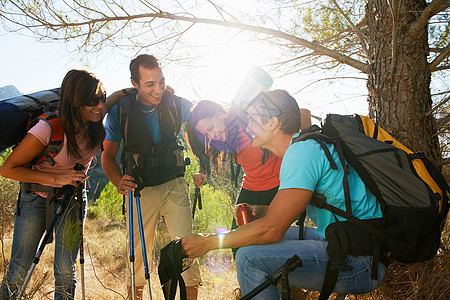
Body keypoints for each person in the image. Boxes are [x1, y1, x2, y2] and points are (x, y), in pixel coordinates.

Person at [181, 90, 386, 299]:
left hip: (360, 262)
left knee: (247, 258)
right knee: (249, 240)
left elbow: (272, 230)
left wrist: (208, 242)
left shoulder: (301, 155)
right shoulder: (301, 148)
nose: (247, 126)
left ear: (272, 123)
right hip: (343, 239)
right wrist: (261, 210)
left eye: (252, 120)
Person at [0, 69, 121, 299]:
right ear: (76, 102)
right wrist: (58, 179)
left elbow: (113, 99)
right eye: (93, 100)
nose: (99, 105)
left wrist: (127, 91)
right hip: (35, 198)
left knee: (66, 271)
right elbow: (8, 169)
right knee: (18, 270)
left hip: (73, 199)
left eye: (101, 98)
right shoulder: (48, 128)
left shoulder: (93, 118)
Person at [101, 54, 201, 299]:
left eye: (161, 81)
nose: (158, 90)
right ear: (134, 83)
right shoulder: (120, 112)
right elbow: (107, 155)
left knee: (187, 250)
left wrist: (202, 164)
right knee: (136, 255)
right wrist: (117, 180)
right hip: (139, 189)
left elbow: (202, 124)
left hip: (174, 184)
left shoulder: (177, 104)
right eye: (149, 84)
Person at [186, 99, 311, 255]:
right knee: (237, 244)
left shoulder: (247, 120)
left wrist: (305, 148)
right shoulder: (224, 138)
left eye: (211, 128)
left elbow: (303, 114)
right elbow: (210, 154)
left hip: (278, 182)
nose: (213, 135)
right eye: (207, 134)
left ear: (220, 113)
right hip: (252, 186)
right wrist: (202, 171)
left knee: (269, 235)